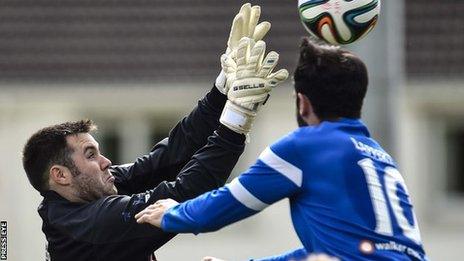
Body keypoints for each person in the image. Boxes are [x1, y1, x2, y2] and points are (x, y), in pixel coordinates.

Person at [21, 4, 288, 260]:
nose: (106, 162)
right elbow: (184, 194)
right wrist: (238, 119)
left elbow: (169, 156)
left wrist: (223, 90)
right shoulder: (92, 224)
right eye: (90, 155)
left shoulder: (85, 193)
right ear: (61, 175)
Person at [134, 38, 429, 261]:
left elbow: (232, 201)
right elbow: (333, 249)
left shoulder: (304, 147)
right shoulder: (379, 156)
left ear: (302, 103)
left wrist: (175, 213)